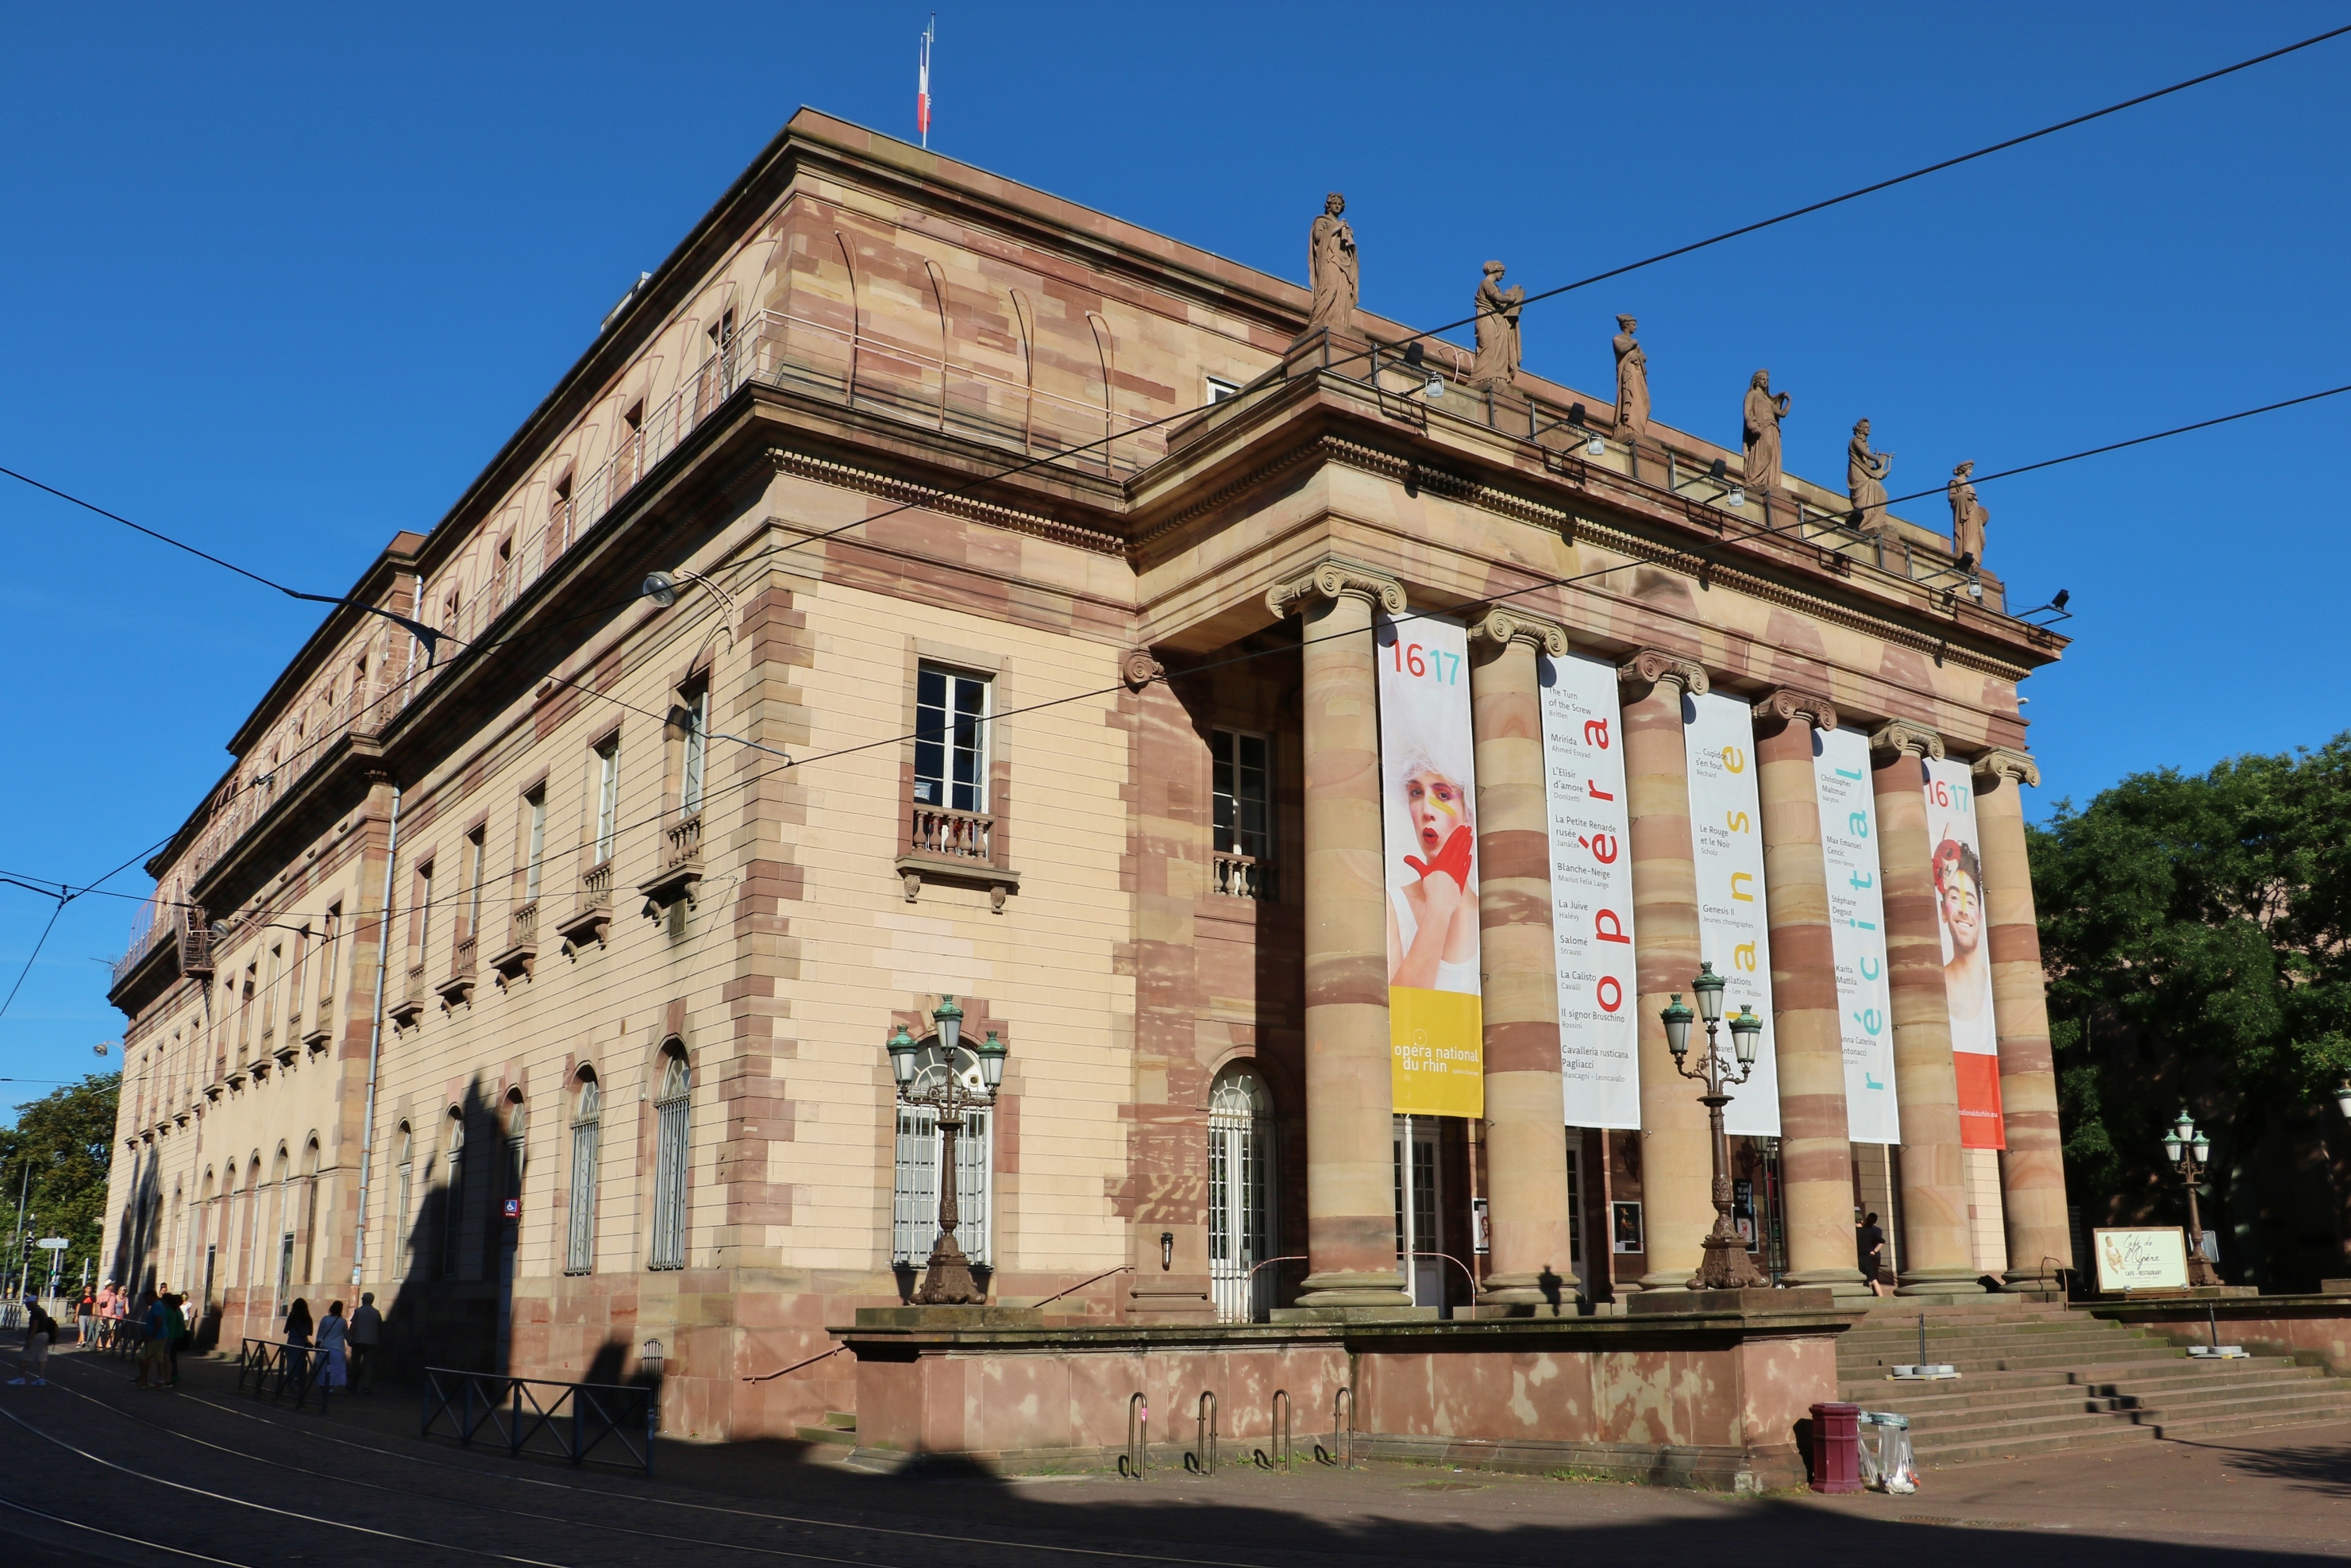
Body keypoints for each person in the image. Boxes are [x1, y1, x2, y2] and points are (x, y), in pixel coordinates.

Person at [1386, 754, 1478, 989]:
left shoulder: (1493, 918)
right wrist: (1438, 907)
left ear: (1469, 811)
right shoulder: (1392, 908)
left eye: (1443, 795)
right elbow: (1398, 1013)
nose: (1427, 810)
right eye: (1416, 793)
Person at [1933, 838, 1997, 1054]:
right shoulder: (1932, 986)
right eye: (1954, 898)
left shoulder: (1996, 987)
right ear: (1943, 911)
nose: (1963, 910)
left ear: (1979, 913)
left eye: (1970, 901)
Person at [11, 1299, 56, 1385]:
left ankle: (21, 1378)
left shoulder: (35, 1312)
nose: (26, 1306)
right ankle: (41, 1379)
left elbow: (35, 1326)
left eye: (27, 1305)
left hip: (37, 1336)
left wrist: (30, 1339)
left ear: (31, 1304)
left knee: (24, 1356)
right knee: (41, 1358)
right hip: (45, 1335)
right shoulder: (42, 1310)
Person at [349, 1292, 382, 1394]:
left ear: (363, 1300)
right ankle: (366, 1386)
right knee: (369, 1365)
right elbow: (380, 1328)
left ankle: (353, 1385)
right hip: (372, 1342)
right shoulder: (376, 1313)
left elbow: (353, 1325)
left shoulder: (358, 1311)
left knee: (355, 1364)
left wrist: (350, 1337)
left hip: (358, 1340)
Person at [1857, 1212, 1891, 1297]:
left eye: (1871, 1220)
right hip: (1867, 1255)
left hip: (1871, 1256)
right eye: (1868, 1219)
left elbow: (1880, 1241)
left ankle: (1876, 1295)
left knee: (1873, 1277)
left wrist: (1874, 1251)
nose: (1869, 1221)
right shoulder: (1868, 1230)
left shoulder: (1875, 1230)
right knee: (1870, 1278)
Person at [316, 1300, 349, 1390]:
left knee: (324, 1368)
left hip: (325, 1347)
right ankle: (331, 1385)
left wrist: (317, 1344)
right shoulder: (342, 1321)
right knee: (335, 1369)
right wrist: (350, 1342)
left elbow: (320, 1334)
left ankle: (323, 1384)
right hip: (338, 1348)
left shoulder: (325, 1319)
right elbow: (346, 1335)